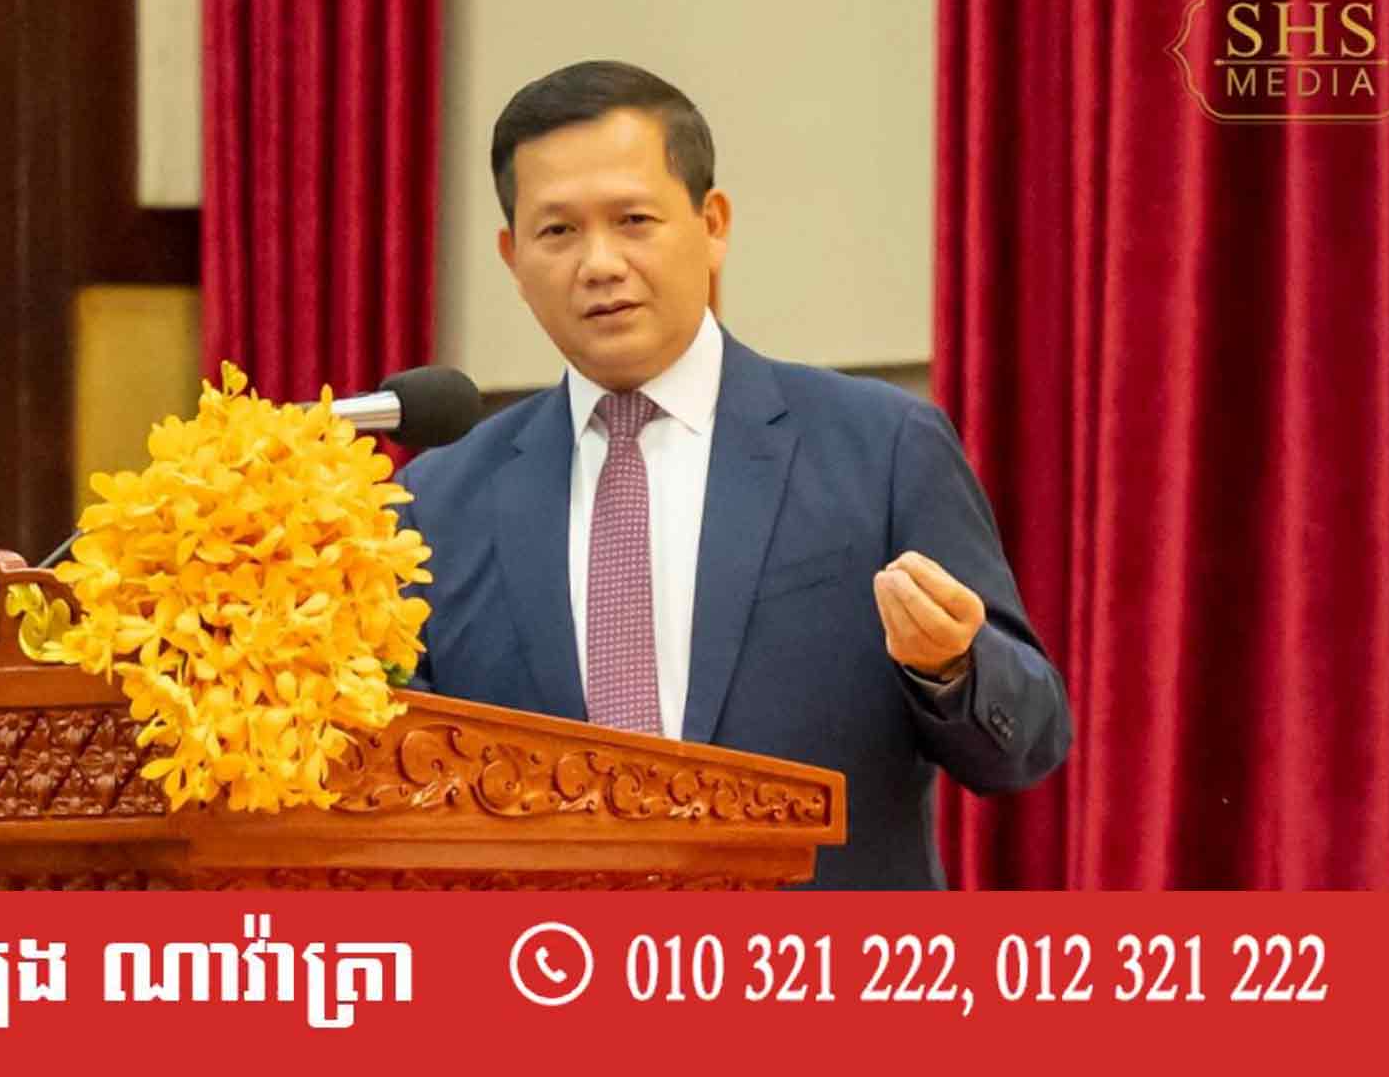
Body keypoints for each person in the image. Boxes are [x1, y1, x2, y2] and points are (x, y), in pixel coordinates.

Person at [394, 60, 1069, 888]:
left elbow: (1029, 743)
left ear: (712, 224)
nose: (599, 263)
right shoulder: (438, 505)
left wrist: (953, 667)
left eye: (633, 220)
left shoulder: (880, 447)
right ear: (511, 257)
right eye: (558, 231)